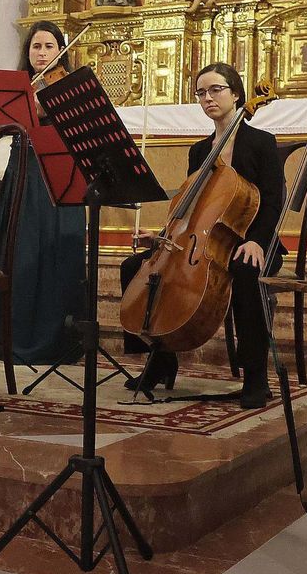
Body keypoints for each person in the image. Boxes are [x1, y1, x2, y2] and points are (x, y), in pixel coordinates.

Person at [118, 63, 285, 408]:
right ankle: (161, 359)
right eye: (201, 92)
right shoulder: (199, 151)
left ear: (236, 94)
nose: (208, 98)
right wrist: (162, 237)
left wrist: (257, 241)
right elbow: (192, 207)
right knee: (133, 267)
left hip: (252, 239)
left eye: (215, 90)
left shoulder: (261, 143)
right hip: (204, 242)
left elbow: (272, 201)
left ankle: (255, 376)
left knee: (246, 272)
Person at [0, 22, 86, 365]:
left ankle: (56, 342)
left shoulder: (71, 87)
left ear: (61, 51)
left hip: (59, 176)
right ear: (27, 52)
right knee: (21, 256)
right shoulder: (18, 90)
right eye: (36, 47)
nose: (42, 53)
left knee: (56, 256)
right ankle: (12, 340)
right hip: (23, 174)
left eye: (49, 46)